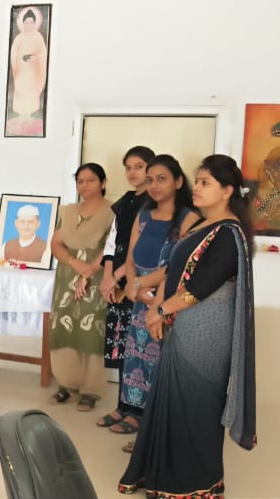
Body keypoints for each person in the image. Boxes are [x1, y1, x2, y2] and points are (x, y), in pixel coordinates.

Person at [119, 155, 257, 497]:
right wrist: (157, 308)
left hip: (207, 336)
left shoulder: (229, 233)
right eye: (198, 181)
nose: (197, 188)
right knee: (171, 401)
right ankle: (162, 476)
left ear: (227, 191)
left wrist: (160, 311)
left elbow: (200, 286)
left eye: (206, 182)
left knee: (197, 405)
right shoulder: (201, 227)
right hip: (182, 327)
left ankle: (195, 484)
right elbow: (173, 271)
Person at [108, 155, 198, 447]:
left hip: (167, 298)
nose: (155, 186)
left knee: (161, 363)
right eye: (151, 180)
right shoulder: (144, 215)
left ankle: (154, 429)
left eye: (162, 179)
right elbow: (131, 257)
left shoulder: (189, 218)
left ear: (178, 182)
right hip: (139, 298)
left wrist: (141, 285)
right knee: (136, 358)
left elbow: (178, 265)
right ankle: (135, 413)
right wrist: (133, 286)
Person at [47, 163, 114, 412]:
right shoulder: (68, 212)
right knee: (65, 327)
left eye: (91, 180)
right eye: (80, 181)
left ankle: (91, 390)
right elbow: (56, 244)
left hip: (97, 278)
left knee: (92, 331)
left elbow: (112, 247)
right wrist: (75, 264)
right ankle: (67, 384)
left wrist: (89, 272)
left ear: (103, 183)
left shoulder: (112, 212)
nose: (84, 185)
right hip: (67, 277)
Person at [96, 146, 154, 423]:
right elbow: (113, 241)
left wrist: (118, 275)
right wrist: (108, 275)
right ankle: (123, 405)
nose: (132, 172)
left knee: (141, 348)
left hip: (141, 282)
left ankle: (140, 412)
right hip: (118, 283)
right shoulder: (127, 201)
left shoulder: (155, 203)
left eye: (139, 166)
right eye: (128, 167)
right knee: (122, 346)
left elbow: (139, 247)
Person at [6, 6, 48, 136]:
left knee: (31, 95)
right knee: (21, 93)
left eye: (31, 22)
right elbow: (13, 54)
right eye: (26, 22)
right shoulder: (19, 38)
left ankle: (29, 118)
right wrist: (21, 58)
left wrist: (35, 57)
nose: (29, 25)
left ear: (35, 23)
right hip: (21, 72)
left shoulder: (38, 37)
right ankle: (21, 118)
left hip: (33, 73)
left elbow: (43, 53)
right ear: (23, 23)